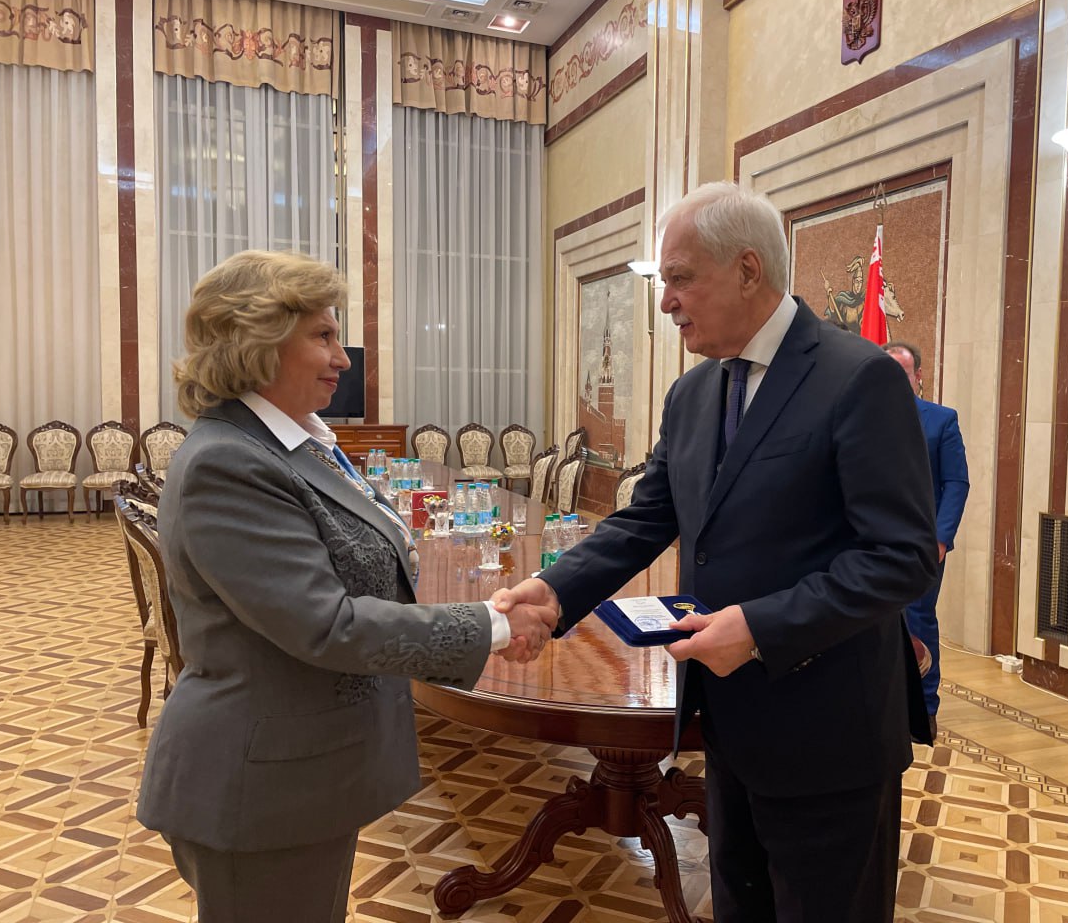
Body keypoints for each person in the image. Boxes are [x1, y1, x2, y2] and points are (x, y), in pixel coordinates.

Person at [494, 182, 938, 923]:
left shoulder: (857, 378)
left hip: (830, 731)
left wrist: (760, 627)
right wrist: (557, 590)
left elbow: (902, 556)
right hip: (727, 721)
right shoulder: (693, 392)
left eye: (679, 278)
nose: (666, 301)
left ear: (748, 270)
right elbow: (648, 518)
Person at [136, 251, 554, 922]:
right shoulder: (229, 463)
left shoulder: (291, 444)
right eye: (323, 336)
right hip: (259, 786)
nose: (342, 358)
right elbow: (325, 624)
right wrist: (494, 624)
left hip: (299, 774)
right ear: (259, 341)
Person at [884, 341, 970, 739]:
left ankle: (925, 707)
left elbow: (956, 483)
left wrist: (941, 539)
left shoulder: (941, 420)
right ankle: (883, 702)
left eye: (902, 373)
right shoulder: (861, 417)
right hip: (869, 542)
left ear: (918, 376)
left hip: (922, 545)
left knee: (918, 619)